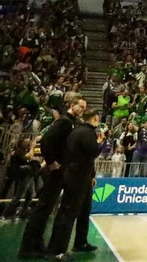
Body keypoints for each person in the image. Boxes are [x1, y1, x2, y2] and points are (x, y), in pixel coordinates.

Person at [20, 91, 85, 260]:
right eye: (80, 106)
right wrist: (50, 161)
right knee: (43, 208)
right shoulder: (64, 122)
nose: (82, 110)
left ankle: (36, 243)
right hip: (55, 171)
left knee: (46, 209)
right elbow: (46, 140)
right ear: (72, 105)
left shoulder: (70, 122)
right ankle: (28, 246)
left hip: (60, 171)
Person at [47, 110, 101, 260]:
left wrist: (92, 175)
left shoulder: (77, 130)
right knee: (68, 213)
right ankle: (58, 250)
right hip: (77, 177)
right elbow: (94, 152)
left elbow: (87, 157)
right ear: (95, 119)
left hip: (81, 176)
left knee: (84, 210)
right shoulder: (87, 133)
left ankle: (80, 242)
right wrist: (100, 142)